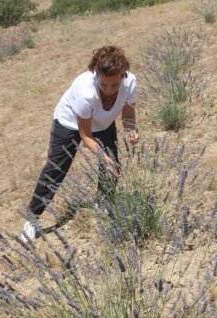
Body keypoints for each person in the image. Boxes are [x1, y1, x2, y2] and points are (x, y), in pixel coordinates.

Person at [21, 45, 140, 242]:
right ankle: (32, 219)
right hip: (69, 123)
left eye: (114, 85)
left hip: (103, 123)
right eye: (104, 85)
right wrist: (102, 157)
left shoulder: (130, 83)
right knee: (56, 169)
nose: (109, 91)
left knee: (113, 166)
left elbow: (128, 113)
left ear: (123, 76)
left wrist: (131, 130)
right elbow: (85, 135)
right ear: (96, 75)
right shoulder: (86, 92)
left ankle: (103, 205)